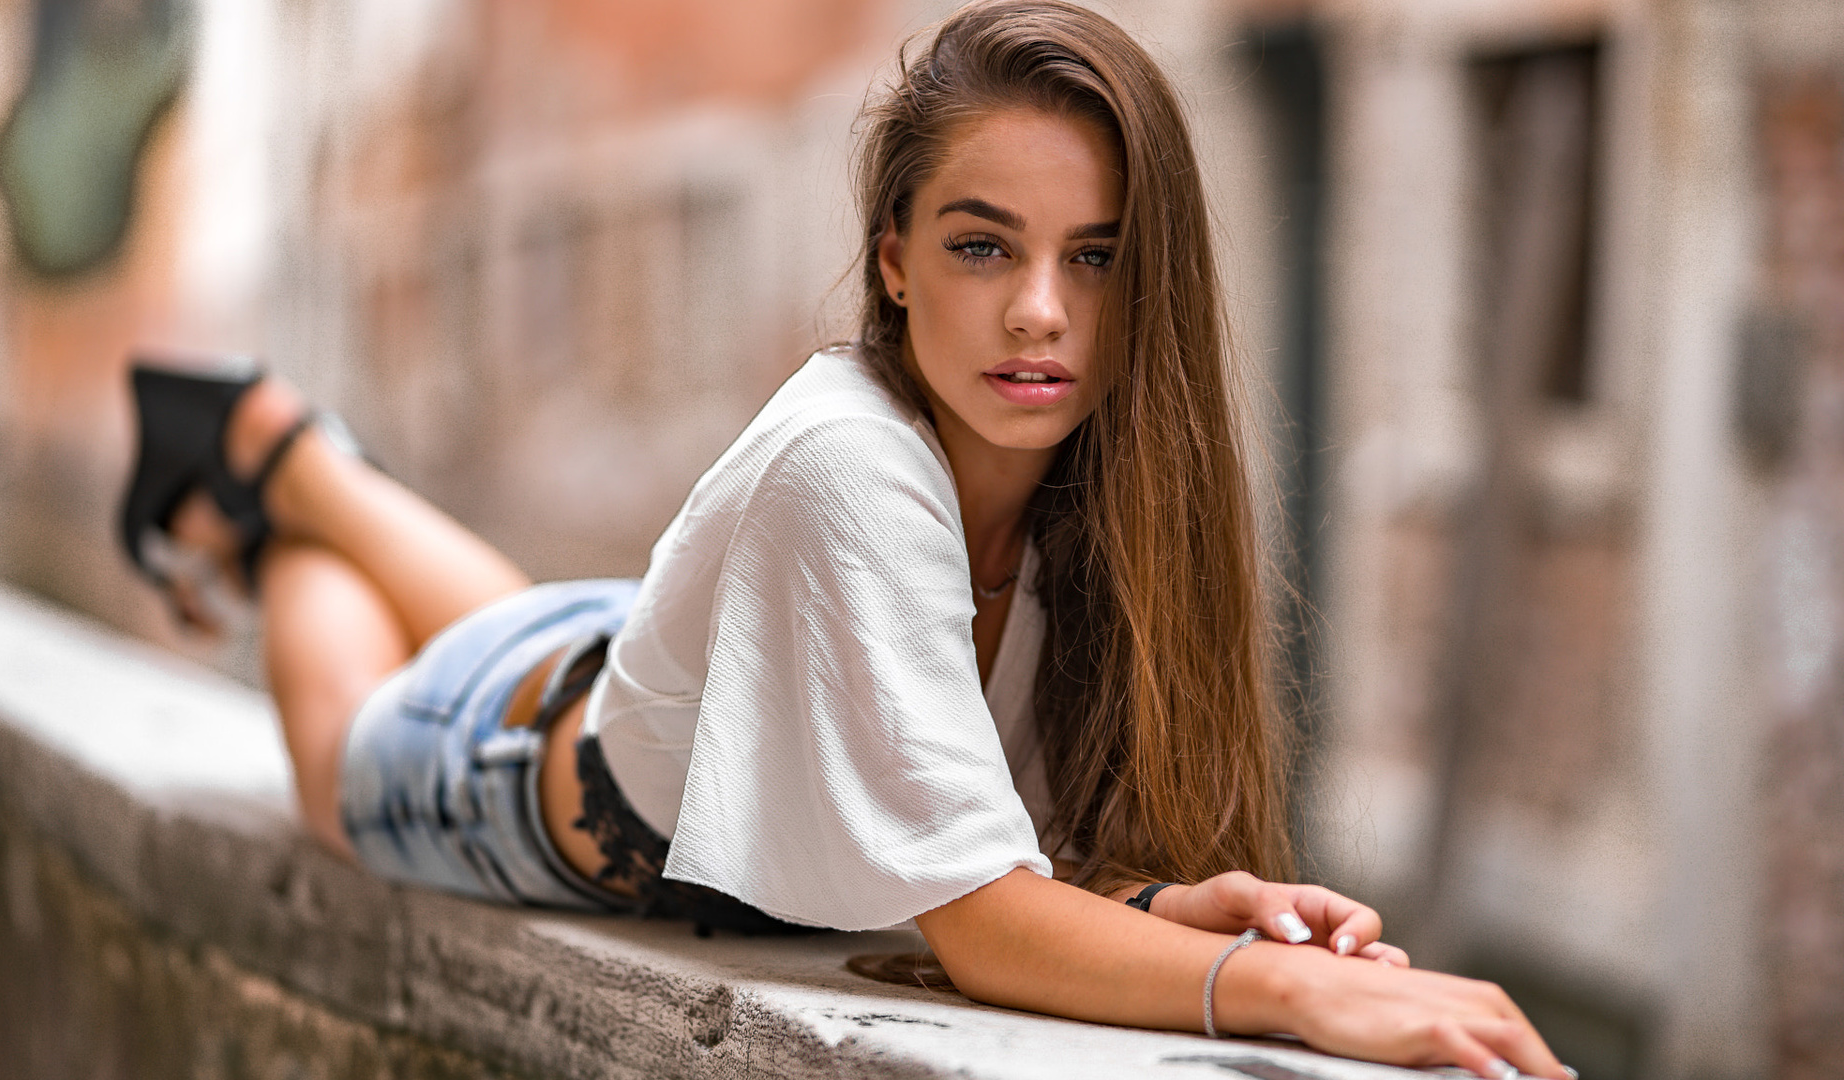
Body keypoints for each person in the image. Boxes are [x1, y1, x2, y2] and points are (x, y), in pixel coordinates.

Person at [116, 3, 1569, 1076]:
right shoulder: (845, 468)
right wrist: (1284, 989)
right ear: (894, 256)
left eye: (1099, 256)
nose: (1041, 314)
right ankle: (264, 491)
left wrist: (1166, 905)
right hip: (489, 776)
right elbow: (984, 927)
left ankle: (294, 460)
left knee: (548, 631)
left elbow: (1001, 848)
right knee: (334, 752)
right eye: (983, 244)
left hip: (630, 673)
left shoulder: (1087, 479)